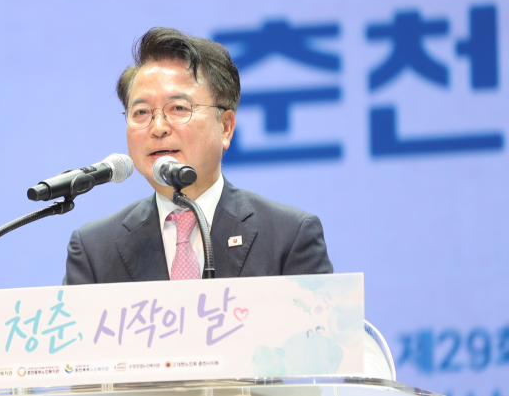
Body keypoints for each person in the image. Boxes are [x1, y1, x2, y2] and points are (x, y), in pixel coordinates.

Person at [64, 27, 332, 284]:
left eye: (178, 108)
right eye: (141, 112)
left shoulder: (289, 236)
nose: (158, 128)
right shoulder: (94, 251)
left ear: (225, 127)